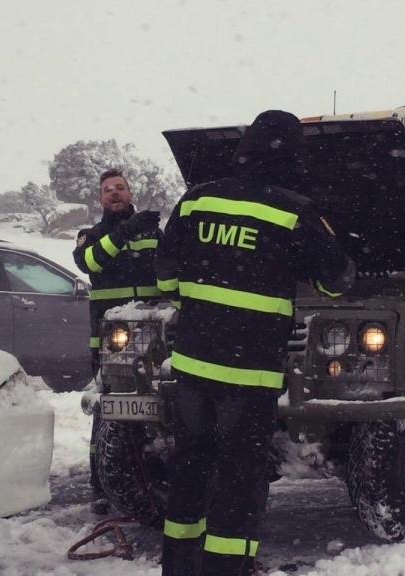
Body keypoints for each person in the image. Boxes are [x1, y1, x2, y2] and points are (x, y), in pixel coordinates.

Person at [156, 110, 355, 576]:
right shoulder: (294, 212)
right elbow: (333, 284)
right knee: (239, 483)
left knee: (189, 474)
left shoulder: (197, 201)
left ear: (243, 148)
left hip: (191, 371)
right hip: (248, 377)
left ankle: (180, 568)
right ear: (292, 155)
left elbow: (165, 279)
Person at [72, 168, 162, 514]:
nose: (114, 193)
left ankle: (153, 473)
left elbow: (172, 270)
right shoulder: (91, 235)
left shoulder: (153, 231)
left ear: (130, 192)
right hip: (111, 342)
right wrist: (125, 232)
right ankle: (100, 483)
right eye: (108, 189)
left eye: (120, 188)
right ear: (100, 198)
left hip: (156, 337)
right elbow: (89, 261)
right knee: (107, 411)